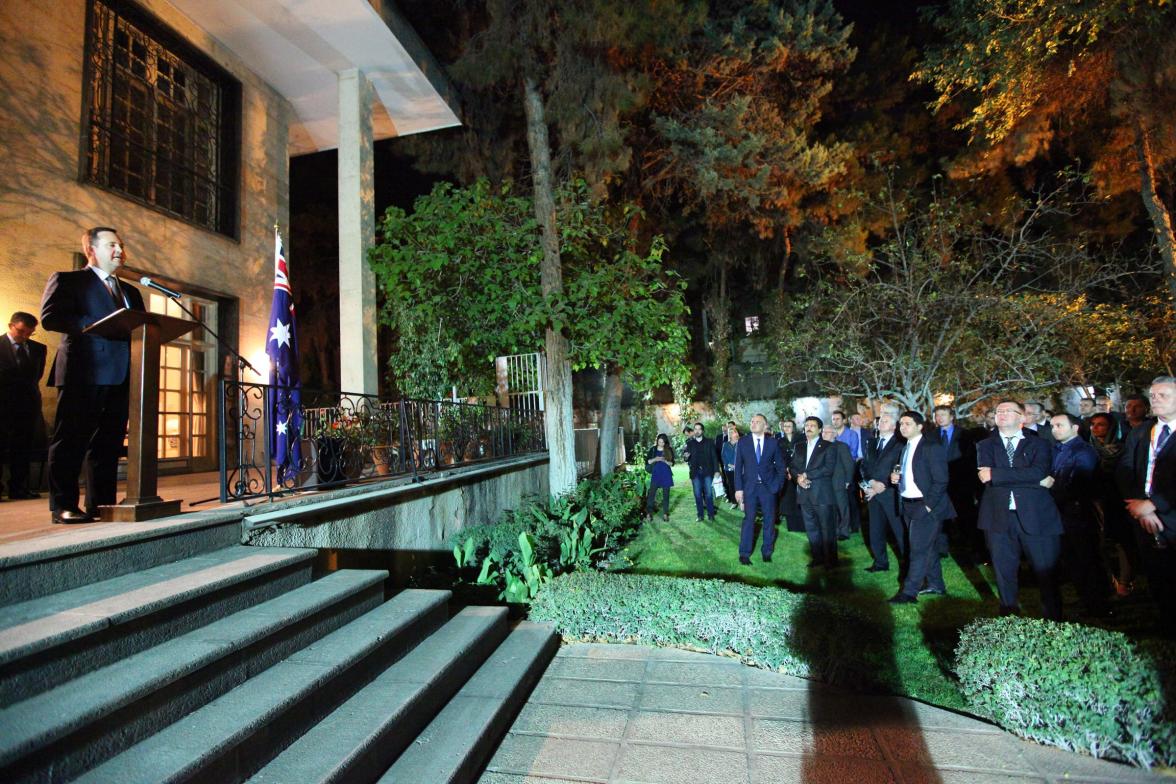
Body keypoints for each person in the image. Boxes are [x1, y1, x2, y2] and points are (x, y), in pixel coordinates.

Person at [41, 226, 145, 523]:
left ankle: (101, 504)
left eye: (121, 245)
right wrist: (97, 323)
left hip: (123, 374)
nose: (119, 251)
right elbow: (50, 318)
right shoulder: (69, 280)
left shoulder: (131, 292)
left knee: (109, 443)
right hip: (83, 372)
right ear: (91, 250)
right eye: (112, 244)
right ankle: (63, 505)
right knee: (71, 440)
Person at [976, 400, 1063, 620]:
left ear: (1022, 418)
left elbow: (1039, 470)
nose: (1002, 414)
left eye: (1008, 411)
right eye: (998, 411)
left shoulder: (1040, 444)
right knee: (1004, 572)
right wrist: (1035, 480)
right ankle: (1009, 617)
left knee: (1046, 572)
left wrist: (998, 474)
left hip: (1037, 516)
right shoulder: (985, 445)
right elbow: (986, 478)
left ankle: (1053, 620)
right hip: (998, 517)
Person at [1116, 376, 1176, 635]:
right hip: (1142, 516)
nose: (1156, 400)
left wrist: (1154, 504)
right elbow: (1125, 468)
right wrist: (1137, 505)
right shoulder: (1141, 431)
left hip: (1171, 514)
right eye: (1153, 395)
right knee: (1156, 574)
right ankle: (1166, 623)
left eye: (1163, 395)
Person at [888, 411, 955, 603]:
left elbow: (941, 480)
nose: (903, 427)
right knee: (928, 547)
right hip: (908, 504)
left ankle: (909, 592)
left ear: (920, 426)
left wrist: (928, 506)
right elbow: (910, 474)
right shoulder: (905, 447)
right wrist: (896, 480)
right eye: (901, 424)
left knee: (917, 549)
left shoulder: (931, 447)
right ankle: (936, 584)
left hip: (925, 506)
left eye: (908, 424)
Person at [1048, 412, 1111, 618]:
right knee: (1073, 560)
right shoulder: (1058, 449)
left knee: (1087, 559)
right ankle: (1087, 598)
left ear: (1074, 428)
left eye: (1059, 425)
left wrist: (1051, 486)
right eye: (1053, 426)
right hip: (1064, 513)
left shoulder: (1083, 451)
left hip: (1079, 514)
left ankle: (1098, 604)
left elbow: (1080, 484)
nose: (1054, 429)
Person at [1089, 411, 1140, 597]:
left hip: (1118, 499)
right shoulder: (1089, 449)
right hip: (1097, 501)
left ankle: (1125, 581)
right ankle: (1112, 581)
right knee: (1100, 543)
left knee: (1123, 543)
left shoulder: (1123, 448)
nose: (1095, 428)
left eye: (1101, 424)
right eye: (1093, 424)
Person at [0, 312, 47, 499]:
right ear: (11, 325)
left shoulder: (38, 349)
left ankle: (19, 488)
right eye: (21, 332)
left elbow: (36, 377)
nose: (25, 337)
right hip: (2, 404)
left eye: (30, 333)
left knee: (23, 448)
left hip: (27, 405)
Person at [733, 413, 785, 565]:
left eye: (757, 422)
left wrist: (777, 485)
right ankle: (744, 553)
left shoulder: (773, 443)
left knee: (769, 520)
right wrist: (738, 489)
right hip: (750, 488)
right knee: (749, 520)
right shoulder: (743, 442)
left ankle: (767, 552)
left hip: (768, 488)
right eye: (752, 421)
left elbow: (781, 467)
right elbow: (738, 468)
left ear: (764, 426)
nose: (753, 423)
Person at [861, 408, 905, 573]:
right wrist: (871, 482)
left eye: (885, 421)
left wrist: (883, 485)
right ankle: (880, 563)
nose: (881, 423)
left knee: (899, 531)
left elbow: (900, 467)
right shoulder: (872, 442)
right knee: (876, 530)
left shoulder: (900, 444)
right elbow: (864, 466)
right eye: (880, 421)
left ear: (894, 426)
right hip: (873, 493)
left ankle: (907, 564)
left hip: (890, 494)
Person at [792, 416, 839, 567]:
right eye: (806, 425)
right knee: (811, 528)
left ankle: (830, 561)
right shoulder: (799, 446)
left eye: (812, 425)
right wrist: (798, 478)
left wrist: (807, 475)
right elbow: (792, 466)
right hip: (804, 494)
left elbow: (828, 468)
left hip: (822, 494)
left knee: (826, 529)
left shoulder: (828, 446)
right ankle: (817, 558)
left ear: (819, 429)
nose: (809, 428)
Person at [823, 423, 856, 539]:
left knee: (842, 508)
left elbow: (849, 464)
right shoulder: (821, 447)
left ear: (834, 434)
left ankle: (844, 531)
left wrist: (847, 480)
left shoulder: (842, 446)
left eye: (827, 432)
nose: (824, 434)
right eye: (823, 432)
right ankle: (834, 530)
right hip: (825, 484)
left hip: (839, 482)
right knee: (830, 508)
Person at [682, 422, 718, 522]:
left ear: (702, 431)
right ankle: (700, 515)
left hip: (707, 472)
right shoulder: (689, 443)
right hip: (695, 473)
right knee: (697, 494)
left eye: (699, 429)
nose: (697, 431)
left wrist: (716, 471)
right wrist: (686, 457)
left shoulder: (709, 442)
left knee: (709, 494)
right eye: (695, 429)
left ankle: (711, 514)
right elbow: (686, 457)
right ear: (694, 431)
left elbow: (714, 457)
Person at [645, 434, 675, 521]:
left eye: (662, 442)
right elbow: (648, 462)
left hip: (666, 474)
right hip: (656, 474)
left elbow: (672, 463)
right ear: (657, 441)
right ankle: (649, 514)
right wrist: (656, 459)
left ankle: (665, 513)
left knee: (666, 495)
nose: (660, 443)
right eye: (659, 441)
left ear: (665, 442)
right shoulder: (653, 449)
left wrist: (665, 460)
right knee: (651, 494)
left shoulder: (668, 450)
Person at [721, 426, 740, 509]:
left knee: (740, 485)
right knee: (731, 485)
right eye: (729, 432)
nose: (731, 434)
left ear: (736, 433)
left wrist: (737, 465)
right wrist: (728, 464)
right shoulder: (725, 444)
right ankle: (734, 501)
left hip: (739, 468)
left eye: (732, 432)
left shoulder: (740, 443)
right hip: (728, 469)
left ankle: (742, 501)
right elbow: (723, 456)